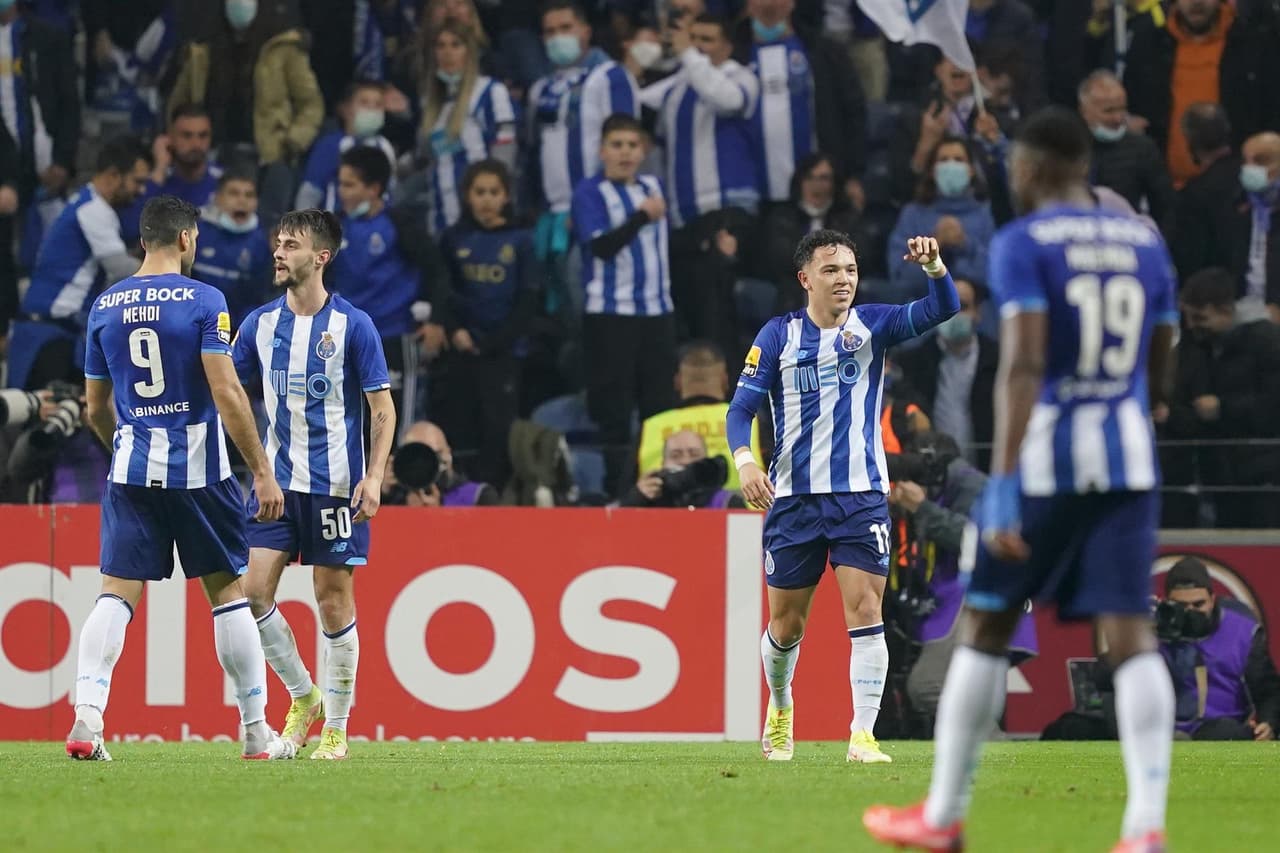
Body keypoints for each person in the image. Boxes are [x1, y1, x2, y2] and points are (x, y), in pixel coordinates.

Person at [863, 107, 1179, 853]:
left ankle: (942, 815)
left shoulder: (1024, 241)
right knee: (1131, 633)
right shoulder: (1145, 241)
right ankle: (1144, 828)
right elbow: (1164, 344)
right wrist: (1148, 400)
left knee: (985, 624)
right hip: (1129, 455)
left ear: (1031, 169)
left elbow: (1027, 361)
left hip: (1047, 459)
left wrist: (1003, 479)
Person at [66, 195, 291, 762]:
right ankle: (254, 731)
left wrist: (123, 445)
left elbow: (95, 407)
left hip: (131, 470)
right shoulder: (205, 300)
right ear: (188, 239)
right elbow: (226, 390)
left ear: (143, 241)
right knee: (227, 594)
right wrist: (261, 471)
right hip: (199, 471)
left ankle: (88, 718)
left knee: (115, 592)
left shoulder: (105, 305)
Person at [727, 229, 960, 764]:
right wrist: (745, 463)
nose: (844, 280)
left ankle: (862, 735)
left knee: (865, 609)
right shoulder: (779, 334)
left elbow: (943, 308)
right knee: (787, 625)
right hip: (794, 500)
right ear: (805, 278)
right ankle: (781, 707)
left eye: (851, 270)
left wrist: (934, 268)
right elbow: (741, 410)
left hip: (860, 496)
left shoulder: (872, 324)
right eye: (832, 270)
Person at [234, 209, 396, 761]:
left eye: (292, 245)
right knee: (253, 592)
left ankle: (338, 730)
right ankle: (305, 697)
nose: (279, 252)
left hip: (335, 487)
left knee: (332, 602)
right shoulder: (257, 325)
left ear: (320, 257)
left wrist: (374, 476)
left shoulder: (354, 325)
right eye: (277, 242)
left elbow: (382, 409)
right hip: (275, 487)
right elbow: (232, 394)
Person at [571, 113, 676, 496]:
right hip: (610, 315)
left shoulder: (653, 185)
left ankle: (661, 489)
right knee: (614, 411)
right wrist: (641, 217)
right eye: (617, 145)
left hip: (657, 312)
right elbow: (600, 246)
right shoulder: (590, 192)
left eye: (633, 145)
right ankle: (619, 492)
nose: (626, 153)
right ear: (602, 151)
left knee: (660, 408)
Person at [6, 136, 150, 391]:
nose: (141, 191)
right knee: (45, 424)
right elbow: (120, 269)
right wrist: (170, 270)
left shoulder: (87, 204)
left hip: (58, 332)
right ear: (114, 175)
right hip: (47, 336)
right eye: (137, 181)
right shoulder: (94, 210)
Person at [434, 159, 539, 487]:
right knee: (462, 425)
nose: (487, 199)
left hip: (504, 353)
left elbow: (528, 300)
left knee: (498, 429)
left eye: (494, 192)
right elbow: (444, 292)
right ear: (467, 195)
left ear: (506, 196)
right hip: (462, 350)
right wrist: (456, 331)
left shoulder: (521, 240)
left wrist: (495, 342)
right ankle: (460, 492)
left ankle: (493, 495)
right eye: (480, 192)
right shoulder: (453, 239)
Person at [1159, 267, 1280, 529]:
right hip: (1217, 475)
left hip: (1265, 478)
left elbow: (1273, 406)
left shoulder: (1268, 342)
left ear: (1226, 310)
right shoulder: (1195, 347)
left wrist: (1223, 409)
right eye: (1188, 317)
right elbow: (1182, 401)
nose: (1191, 326)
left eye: (1200, 317)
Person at [329, 146, 438, 433]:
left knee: (399, 427)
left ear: (374, 188)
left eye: (350, 185)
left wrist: (436, 320)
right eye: (341, 184)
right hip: (348, 342)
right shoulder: (333, 228)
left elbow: (436, 269)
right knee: (350, 430)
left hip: (396, 339)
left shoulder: (400, 224)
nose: (342, 192)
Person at [1157, 556, 1280, 741]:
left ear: (1212, 599)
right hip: (1164, 729)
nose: (1191, 611)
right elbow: (1113, 676)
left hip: (1223, 731)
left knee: (1223, 731)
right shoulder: (1153, 629)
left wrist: (1269, 724)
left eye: (1199, 604)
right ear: (1168, 603)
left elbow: (1268, 689)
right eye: (1182, 606)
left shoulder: (1242, 632)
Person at [419, 17, 517, 235]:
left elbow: (505, 157)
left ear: (469, 52)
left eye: (456, 45)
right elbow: (426, 159)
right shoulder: (430, 101)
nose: (447, 53)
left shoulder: (491, 92)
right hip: (441, 220)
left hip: (482, 220)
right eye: (440, 46)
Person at [894, 278, 998, 470]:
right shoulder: (911, 364)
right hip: (931, 474)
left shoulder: (999, 361)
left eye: (963, 306)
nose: (953, 314)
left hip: (988, 469)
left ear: (978, 313)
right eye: (946, 305)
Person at [636, 341, 760, 493]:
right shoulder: (752, 422)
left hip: (667, 516)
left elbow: (627, 496)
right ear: (725, 381)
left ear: (678, 382)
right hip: (743, 515)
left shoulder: (650, 427)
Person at [887, 137, 995, 296]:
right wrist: (935, 246)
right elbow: (900, 277)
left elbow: (994, 273)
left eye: (958, 160)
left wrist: (965, 244)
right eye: (944, 160)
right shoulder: (912, 215)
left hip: (976, 310)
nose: (951, 165)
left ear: (971, 170)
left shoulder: (985, 214)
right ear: (932, 171)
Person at [1077, 70, 1175, 233]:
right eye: (1108, 111)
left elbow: (1166, 207)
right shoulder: (1067, 149)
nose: (1118, 118)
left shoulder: (1143, 149)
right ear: (1084, 111)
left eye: (1122, 109)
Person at [295, 80, 399, 213]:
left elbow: (391, 192)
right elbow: (310, 193)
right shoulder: (330, 146)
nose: (372, 109)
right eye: (364, 103)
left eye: (378, 104)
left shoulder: (385, 146)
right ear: (346, 109)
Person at [190, 169, 271, 330]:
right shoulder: (196, 233)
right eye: (234, 193)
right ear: (218, 198)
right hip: (194, 327)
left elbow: (259, 299)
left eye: (249, 195)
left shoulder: (262, 243)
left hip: (239, 333)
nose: (242, 200)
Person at [621, 428, 744, 508]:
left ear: (706, 460)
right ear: (663, 463)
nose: (686, 461)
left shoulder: (727, 502)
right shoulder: (648, 500)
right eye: (676, 455)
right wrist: (636, 499)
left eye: (694, 454)